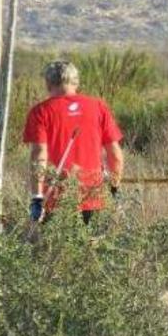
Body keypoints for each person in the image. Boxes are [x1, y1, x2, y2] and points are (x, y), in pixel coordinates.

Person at [23, 60, 124, 225]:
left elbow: (39, 154)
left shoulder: (40, 112)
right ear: (76, 82)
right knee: (93, 247)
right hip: (94, 196)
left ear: (48, 84)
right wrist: (114, 188)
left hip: (55, 198)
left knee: (55, 249)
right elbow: (115, 154)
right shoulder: (98, 106)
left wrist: (37, 198)